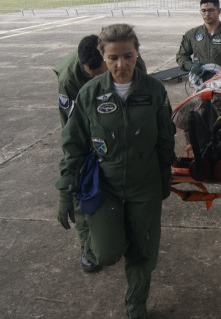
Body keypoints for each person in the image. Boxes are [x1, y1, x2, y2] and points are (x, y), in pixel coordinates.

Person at [56, 24, 175, 319]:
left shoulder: (154, 90)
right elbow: (74, 146)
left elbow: (165, 139)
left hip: (143, 184)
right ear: (103, 57)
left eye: (128, 56)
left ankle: (136, 305)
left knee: (143, 251)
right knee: (107, 253)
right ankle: (97, 238)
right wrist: (65, 192)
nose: (121, 65)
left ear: (137, 54)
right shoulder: (89, 94)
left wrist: (164, 178)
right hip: (105, 185)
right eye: (113, 58)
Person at [53, 35, 148, 273]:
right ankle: (88, 248)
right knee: (84, 189)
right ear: (85, 69)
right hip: (87, 129)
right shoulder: (70, 80)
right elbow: (71, 134)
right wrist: (69, 181)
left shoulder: (130, 63)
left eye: (102, 72)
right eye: (93, 75)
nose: (101, 79)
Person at [175, 0, 221, 78]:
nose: (207, 14)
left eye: (211, 10)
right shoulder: (192, 34)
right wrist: (191, 66)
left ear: (219, 11)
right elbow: (181, 56)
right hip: (199, 84)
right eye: (203, 10)